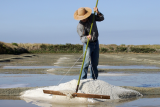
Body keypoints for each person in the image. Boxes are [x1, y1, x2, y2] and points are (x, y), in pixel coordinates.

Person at [74, 7, 104, 80]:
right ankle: (82, 79)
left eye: (84, 17)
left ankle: (94, 79)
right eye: (81, 18)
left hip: (96, 42)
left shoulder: (92, 17)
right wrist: (87, 37)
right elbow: (82, 39)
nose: (83, 19)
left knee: (95, 63)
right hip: (88, 44)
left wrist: (98, 12)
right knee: (86, 62)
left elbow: (101, 18)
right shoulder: (79, 26)